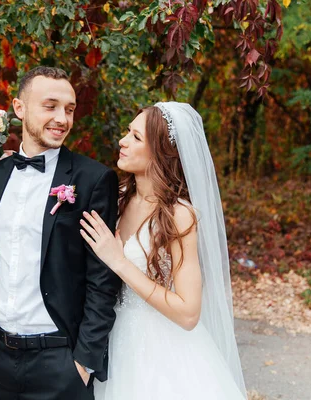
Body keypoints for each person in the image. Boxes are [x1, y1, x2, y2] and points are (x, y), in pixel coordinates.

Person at [0, 66, 121, 399]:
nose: (63, 119)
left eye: (69, 109)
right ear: (19, 108)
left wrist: (83, 363)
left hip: (59, 361)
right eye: (50, 106)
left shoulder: (92, 179)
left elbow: (103, 277)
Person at [80, 102, 248, 399]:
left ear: (159, 152)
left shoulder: (179, 215)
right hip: (110, 340)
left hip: (161, 349)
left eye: (135, 137)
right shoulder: (116, 199)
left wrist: (120, 263)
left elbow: (188, 313)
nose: (122, 141)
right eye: (127, 133)